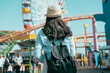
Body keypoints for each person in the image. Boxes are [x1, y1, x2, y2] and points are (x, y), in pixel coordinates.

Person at [33, 5, 76, 73]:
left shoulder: (42, 32)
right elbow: (73, 54)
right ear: (60, 17)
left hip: (49, 67)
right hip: (67, 67)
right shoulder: (67, 31)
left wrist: (46, 60)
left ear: (47, 17)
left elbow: (37, 55)